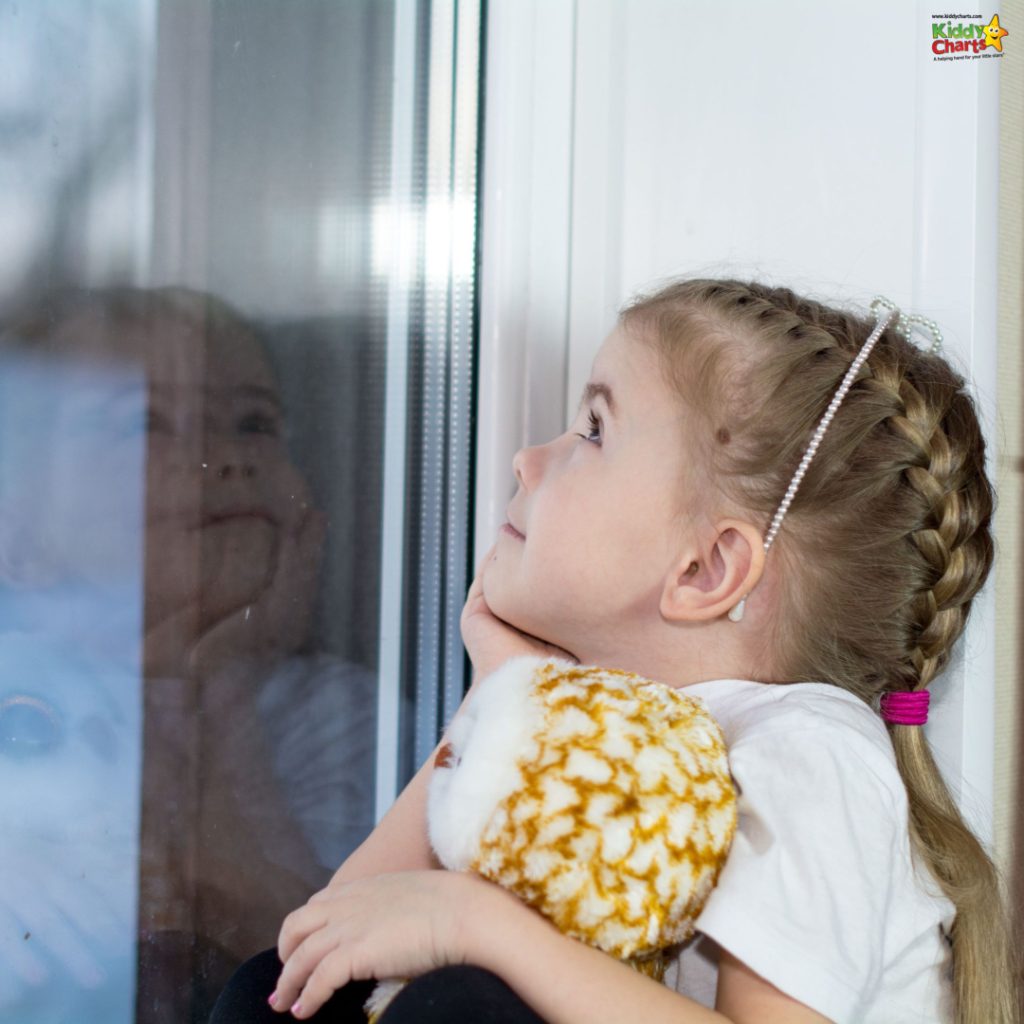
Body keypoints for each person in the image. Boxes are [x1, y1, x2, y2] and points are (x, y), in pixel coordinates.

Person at [210, 278, 1017, 1024]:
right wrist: (507, 696)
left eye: (592, 431)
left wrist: (476, 926)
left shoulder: (815, 753)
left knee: (465, 1001)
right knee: (268, 993)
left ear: (706, 570)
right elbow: (328, 945)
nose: (528, 461)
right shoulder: (607, 724)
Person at [0, 287, 377, 1023]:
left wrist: (216, 690)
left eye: (253, 423)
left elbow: (321, 978)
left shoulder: (336, 717)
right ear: (18, 533)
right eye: (144, 423)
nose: (224, 458)